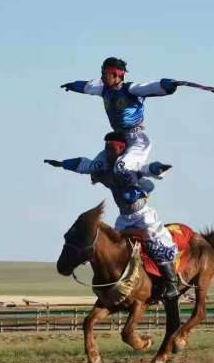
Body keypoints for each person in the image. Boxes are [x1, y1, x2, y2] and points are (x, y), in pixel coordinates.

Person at [44, 131, 179, 299]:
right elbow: (84, 164)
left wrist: (159, 168)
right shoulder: (104, 166)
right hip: (123, 217)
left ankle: (172, 283)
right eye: (107, 147)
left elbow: (147, 169)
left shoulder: (129, 166)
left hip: (143, 215)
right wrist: (62, 164)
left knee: (157, 242)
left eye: (112, 148)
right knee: (115, 247)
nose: (108, 151)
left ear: (122, 149)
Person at [60, 57, 179, 185]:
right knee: (98, 167)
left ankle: (153, 175)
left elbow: (151, 87)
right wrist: (71, 86)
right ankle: (139, 177)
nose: (103, 77)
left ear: (117, 75)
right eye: (102, 73)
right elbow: (86, 86)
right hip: (119, 138)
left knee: (120, 167)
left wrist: (167, 85)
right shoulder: (103, 89)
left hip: (137, 139)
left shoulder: (132, 90)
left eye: (106, 74)